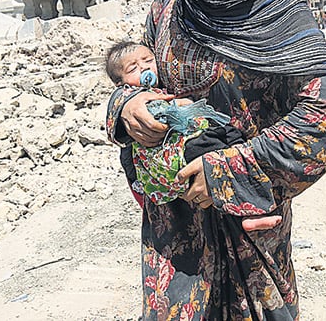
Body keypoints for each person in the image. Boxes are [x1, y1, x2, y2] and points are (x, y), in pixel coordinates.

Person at [105, 0, 326, 320]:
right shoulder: (168, 10)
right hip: (175, 229)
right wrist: (127, 104)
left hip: (249, 225)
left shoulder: (283, 17)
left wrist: (227, 170)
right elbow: (137, 73)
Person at [104, 40, 282, 232]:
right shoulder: (136, 98)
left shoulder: (158, 87)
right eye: (133, 68)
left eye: (148, 60)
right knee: (214, 167)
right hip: (179, 152)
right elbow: (130, 153)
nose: (144, 67)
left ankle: (256, 207)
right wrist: (180, 105)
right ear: (120, 84)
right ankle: (248, 214)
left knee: (234, 144)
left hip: (198, 133)